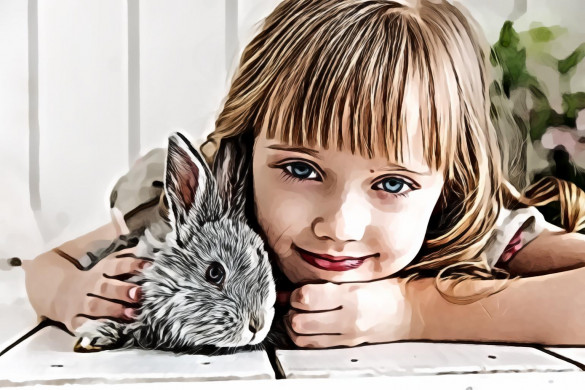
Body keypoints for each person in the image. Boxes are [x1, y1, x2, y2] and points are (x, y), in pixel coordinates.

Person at [22, 0, 585, 349]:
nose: (340, 226)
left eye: (392, 183)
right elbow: (49, 266)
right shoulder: (206, 205)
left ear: (447, 186)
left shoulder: (465, 223)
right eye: (300, 168)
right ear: (246, 147)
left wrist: (413, 312)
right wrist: (72, 292)